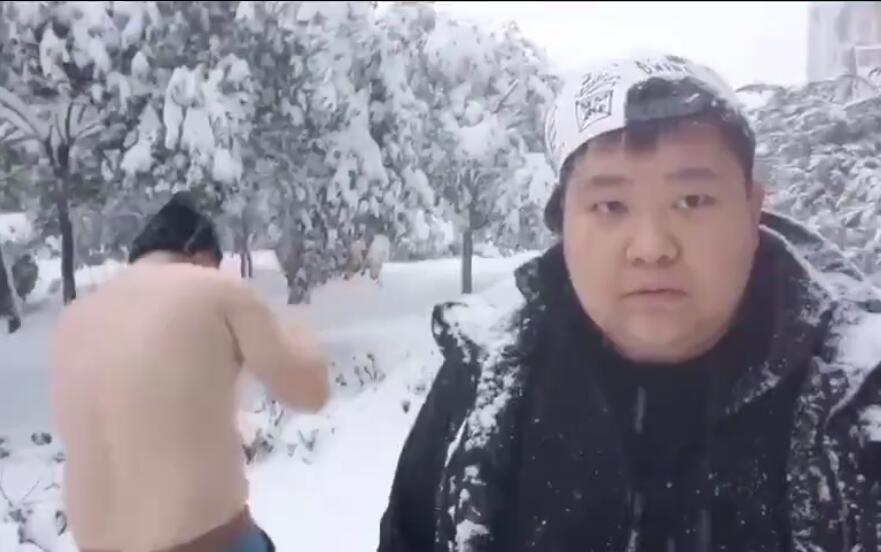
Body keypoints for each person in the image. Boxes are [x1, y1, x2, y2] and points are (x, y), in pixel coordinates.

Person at [377, 53, 881, 552]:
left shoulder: (860, 397)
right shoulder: (486, 377)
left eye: (692, 201)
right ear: (563, 224)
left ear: (752, 210)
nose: (652, 247)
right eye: (610, 206)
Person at [50, 192, 330, 552]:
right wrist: (301, 334)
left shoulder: (73, 318)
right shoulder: (212, 288)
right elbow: (311, 392)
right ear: (198, 254)